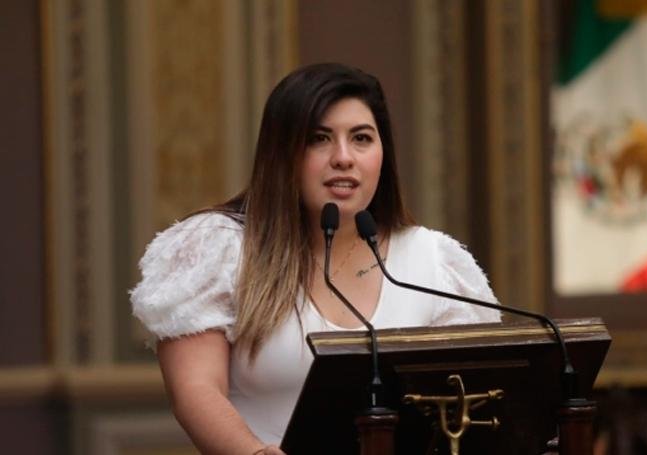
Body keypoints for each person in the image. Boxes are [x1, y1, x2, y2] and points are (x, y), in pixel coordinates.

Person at [131, 63, 501, 455]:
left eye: (361, 138)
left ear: (383, 154)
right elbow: (196, 391)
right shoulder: (218, 248)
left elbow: (473, 400)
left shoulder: (434, 262)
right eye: (319, 139)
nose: (343, 157)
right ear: (282, 153)